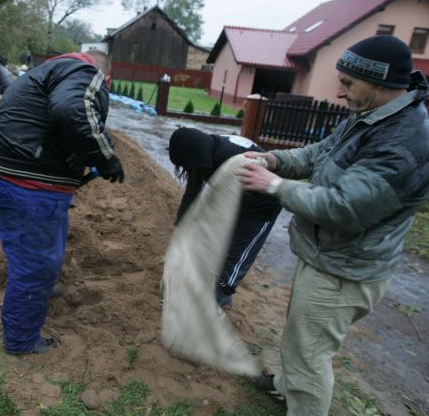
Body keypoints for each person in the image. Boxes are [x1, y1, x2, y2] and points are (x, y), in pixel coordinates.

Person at [237, 35, 429, 415]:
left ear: (381, 83)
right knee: (300, 335)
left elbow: (346, 207)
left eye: (348, 83)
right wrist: (274, 160)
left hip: (346, 270)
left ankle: (302, 397)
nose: (339, 92)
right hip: (329, 256)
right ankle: (287, 386)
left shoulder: (403, 143)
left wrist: (275, 186)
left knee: (309, 353)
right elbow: (321, 153)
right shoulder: (371, 117)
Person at [0, 51, 124, 355]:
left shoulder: (40, 74)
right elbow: (72, 110)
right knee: (35, 264)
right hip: (29, 185)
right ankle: (21, 341)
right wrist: (106, 157)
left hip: (0, 175)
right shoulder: (88, 72)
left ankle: (37, 290)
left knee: (31, 258)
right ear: (106, 78)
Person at [168, 128, 282, 307]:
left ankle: (222, 295)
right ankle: (206, 284)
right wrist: (180, 226)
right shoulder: (204, 148)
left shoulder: (225, 160)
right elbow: (193, 189)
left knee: (237, 252)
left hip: (263, 203)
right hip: (238, 195)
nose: (187, 170)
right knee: (217, 243)